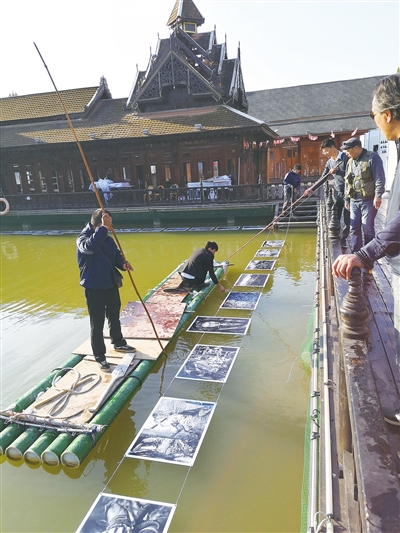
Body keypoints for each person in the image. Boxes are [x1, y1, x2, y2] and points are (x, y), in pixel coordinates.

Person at [332, 73, 400, 425]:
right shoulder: (351, 161)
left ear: (387, 114)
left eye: (375, 115)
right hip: (371, 221)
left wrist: (363, 256)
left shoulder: (374, 156)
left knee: (368, 232)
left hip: (382, 227)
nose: (376, 122)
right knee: (358, 231)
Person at [76, 208, 135, 371]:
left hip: (110, 284)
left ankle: (118, 342)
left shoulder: (107, 239)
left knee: (114, 315)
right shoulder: (83, 239)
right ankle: (100, 356)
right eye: (109, 224)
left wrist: (123, 264)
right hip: (94, 287)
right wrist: (103, 228)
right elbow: (91, 247)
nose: (110, 227)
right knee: (97, 323)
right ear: (100, 223)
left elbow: (115, 255)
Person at [341, 137, 385, 252]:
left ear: (356, 148)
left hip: (368, 200)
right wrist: (346, 199)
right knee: (354, 228)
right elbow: (347, 182)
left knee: (367, 229)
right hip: (354, 201)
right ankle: (357, 254)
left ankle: (369, 255)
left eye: (348, 151)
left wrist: (378, 196)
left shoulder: (372, 157)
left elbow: (379, 178)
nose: (346, 153)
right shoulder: (350, 162)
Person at [304, 139, 350, 242]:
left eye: (326, 150)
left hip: (348, 192)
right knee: (336, 216)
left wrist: (338, 172)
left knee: (348, 218)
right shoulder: (329, 162)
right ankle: (337, 240)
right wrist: (311, 189)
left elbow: (351, 174)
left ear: (333, 147)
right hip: (337, 191)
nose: (325, 153)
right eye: (324, 152)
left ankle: (345, 239)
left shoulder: (345, 157)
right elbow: (323, 177)